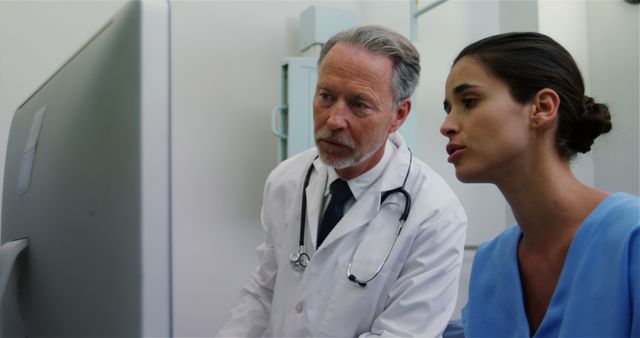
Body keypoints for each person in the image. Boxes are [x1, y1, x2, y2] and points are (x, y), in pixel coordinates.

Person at [217, 25, 467, 337]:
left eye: (359, 104)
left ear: (398, 115)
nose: (334, 120)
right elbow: (263, 292)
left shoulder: (435, 214)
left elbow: (402, 333)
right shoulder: (287, 180)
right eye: (326, 96)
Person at [440, 31, 639, 337]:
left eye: (469, 101)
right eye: (448, 108)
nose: (447, 126)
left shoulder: (631, 238)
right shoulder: (490, 264)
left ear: (542, 107)